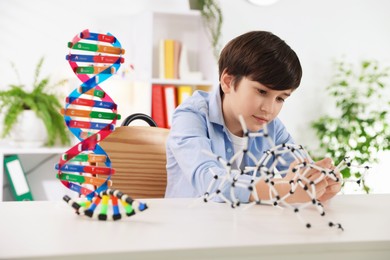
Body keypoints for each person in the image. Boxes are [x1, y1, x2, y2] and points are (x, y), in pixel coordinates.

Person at [164, 31, 341, 204]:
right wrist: (282, 190)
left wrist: (320, 183)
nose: (269, 109)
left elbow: (300, 173)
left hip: (245, 228)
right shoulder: (190, 116)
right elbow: (212, 182)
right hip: (189, 227)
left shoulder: (271, 126)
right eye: (262, 91)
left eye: (280, 98)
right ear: (228, 81)